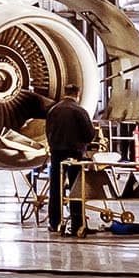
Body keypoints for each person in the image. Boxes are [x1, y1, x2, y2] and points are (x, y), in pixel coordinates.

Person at [45, 97, 97, 234]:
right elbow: (89, 135)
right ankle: (77, 224)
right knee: (76, 189)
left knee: (55, 187)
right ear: (78, 95)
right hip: (75, 153)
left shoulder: (53, 110)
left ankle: (54, 222)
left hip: (56, 153)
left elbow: (46, 131)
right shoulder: (80, 111)